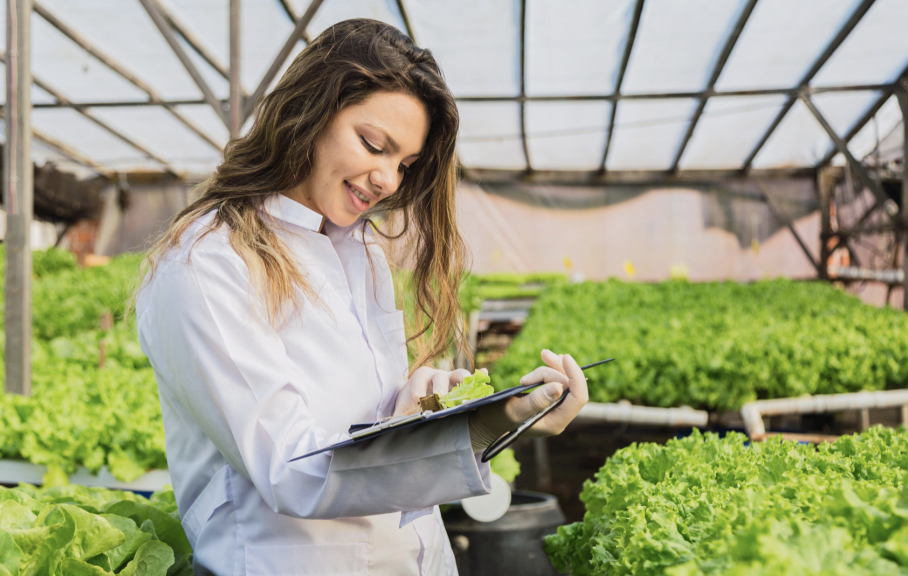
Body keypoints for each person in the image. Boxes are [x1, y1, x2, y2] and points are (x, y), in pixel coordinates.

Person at [134, 18, 590, 576]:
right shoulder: (208, 262)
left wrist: (429, 402)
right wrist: (492, 422)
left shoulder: (359, 250)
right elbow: (294, 469)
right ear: (311, 111)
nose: (388, 180)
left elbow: (364, 423)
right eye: (374, 145)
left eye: (404, 164)